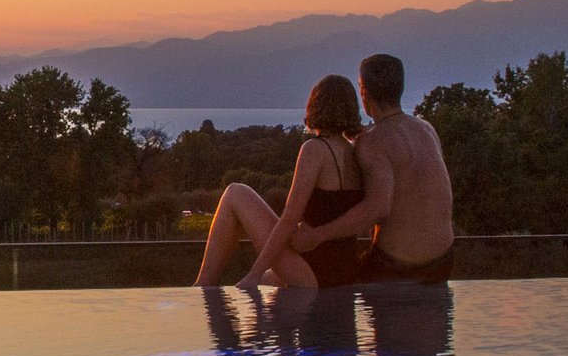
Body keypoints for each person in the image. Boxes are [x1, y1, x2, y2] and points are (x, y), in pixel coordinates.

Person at [291, 53, 455, 283]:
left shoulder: (373, 141)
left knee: (303, 281)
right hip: (442, 261)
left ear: (364, 91)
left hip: (397, 266)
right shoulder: (426, 130)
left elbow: (377, 209)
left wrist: (317, 235)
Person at [195, 74, 365, 287]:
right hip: (344, 271)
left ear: (315, 106)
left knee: (235, 192)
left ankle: (202, 286)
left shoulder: (315, 149)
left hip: (313, 270)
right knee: (270, 280)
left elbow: (289, 218)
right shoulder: (354, 151)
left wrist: (253, 275)